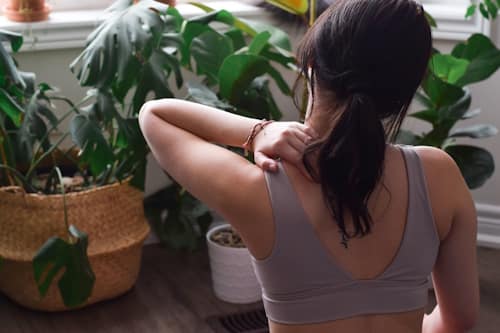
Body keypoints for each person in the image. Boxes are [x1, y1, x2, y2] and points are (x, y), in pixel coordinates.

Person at [138, 0, 479, 331]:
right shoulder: (440, 176)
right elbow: (458, 319)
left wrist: (257, 131)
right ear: (403, 91)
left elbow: (155, 116)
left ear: (312, 63)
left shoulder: (261, 188)